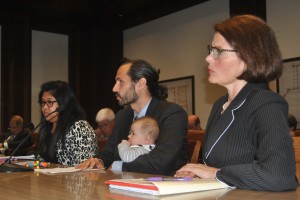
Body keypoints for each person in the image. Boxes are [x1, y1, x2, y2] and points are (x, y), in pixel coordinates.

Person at [175, 15, 298, 191]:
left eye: (219, 51)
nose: (208, 58)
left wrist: (215, 173)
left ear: (250, 56)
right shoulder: (220, 105)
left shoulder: (267, 103)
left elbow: (279, 176)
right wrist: (199, 171)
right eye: (211, 50)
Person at [77, 59, 188, 175]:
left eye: (120, 82)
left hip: (164, 187)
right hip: (126, 185)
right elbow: (109, 151)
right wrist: (99, 160)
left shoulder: (172, 114)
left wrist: (118, 166)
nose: (114, 88)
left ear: (140, 84)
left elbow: (161, 162)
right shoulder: (122, 116)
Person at [37, 80, 98, 166]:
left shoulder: (80, 127)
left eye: (49, 102)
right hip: (48, 178)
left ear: (63, 104)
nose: (45, 107)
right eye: (43, 102)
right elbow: (41, 161)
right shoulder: (46, 126)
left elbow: (85, 168)